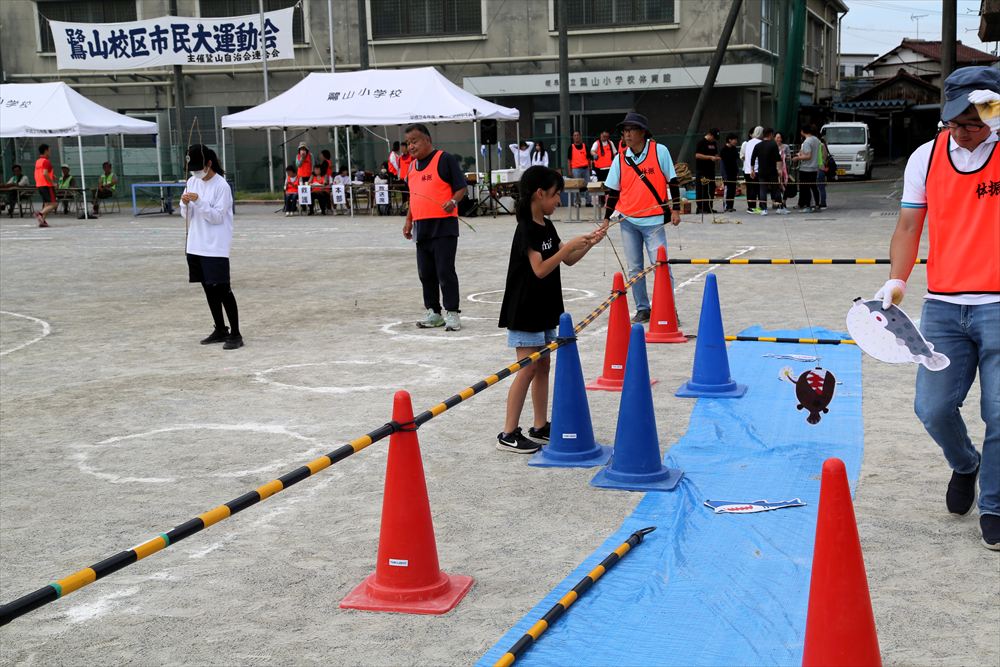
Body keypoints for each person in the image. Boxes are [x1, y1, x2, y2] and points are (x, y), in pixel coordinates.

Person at [877, 66, 1000, 550]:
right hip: (944, 306)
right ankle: (965, 463)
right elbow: (909, 226)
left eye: (975, 121)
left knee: (999, 412)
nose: (964, 132)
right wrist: (897, 279)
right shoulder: (925, 157)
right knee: (931, 407)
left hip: (998, 304)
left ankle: (994, 504)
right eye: (956, 122)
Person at [496, 166, 606, 453]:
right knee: (527, 368)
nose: (559, 200)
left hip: (545, 308)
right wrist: (567, 247)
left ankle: (540, 425)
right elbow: (541, 269)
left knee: (543, 365)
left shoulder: (547, 225)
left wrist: (589, 244)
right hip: (525, 309)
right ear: (539, 193)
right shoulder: (526, 229)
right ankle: (508, 433)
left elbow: (567, 260)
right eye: (556, 194)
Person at [602, 111, 682, 324]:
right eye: (624, 131)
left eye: (631, 130)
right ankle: (643, 309)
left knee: (661, 266)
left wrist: (676, 209)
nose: (627, 134)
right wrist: (607, 218)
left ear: (643, 132)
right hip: (628, 221)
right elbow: (613, 191)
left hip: (654, 221)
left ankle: (668, 309)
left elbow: (673, 181)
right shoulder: (620, 158)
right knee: (634, 268)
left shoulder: (659, 151)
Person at [402, 123, 467, 332]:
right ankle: (434, 312)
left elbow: (461, 188)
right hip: (421, 227)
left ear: (427, 140)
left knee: (445, 271)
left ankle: (452, 313)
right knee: (426, 272)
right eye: (408, 143)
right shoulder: (411, 167)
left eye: (414, 141)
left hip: (443, 226)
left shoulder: (444, 159)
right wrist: (409, 220)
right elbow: (413, 197)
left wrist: (453, 201)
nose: (411, 147)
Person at [180, 144, 242, 350]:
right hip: (195, 244)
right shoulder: (191, 181)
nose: (195, 173)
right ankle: (220, 329)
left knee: (223, 289)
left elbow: (216, 217)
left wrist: (198, 202)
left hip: (215, 246)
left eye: (198, 168)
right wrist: (185, 204)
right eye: (192, 169)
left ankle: (236, 333)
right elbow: (185, 215)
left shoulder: (221, 186)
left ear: (208, 163)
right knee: (208, 288)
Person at [751, 128, 787, 215]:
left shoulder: (758, 145)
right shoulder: (773, 144)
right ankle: (780, 208)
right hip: (772, 171)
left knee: (762, 190)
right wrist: (779, 170)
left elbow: (752, 158)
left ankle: (764, 209)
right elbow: (778, 158)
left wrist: (752, 170)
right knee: (776, 189)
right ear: (770, 134)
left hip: (761, 171)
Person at [791, 125, 821, 212]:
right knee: (814, 187)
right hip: (814, 167)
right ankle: (817, 205)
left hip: (806, 168)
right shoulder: (816, 140)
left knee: (805, 187)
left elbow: (808, 156)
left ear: (803, 131)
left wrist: (797, 158)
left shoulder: (807, 141)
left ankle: (808, 206)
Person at [694, 128, 721, 213]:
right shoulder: (701, 142)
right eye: (714, 137)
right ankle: (700, 207)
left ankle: (709, 207)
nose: (714, 139)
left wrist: (717, 158)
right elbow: (697, 155)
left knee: (711, 189)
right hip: (702, 170)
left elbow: (715, 153)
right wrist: (709, 157)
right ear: (710, 135)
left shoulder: (714, 143)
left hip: (711, 170)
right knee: (702, 189)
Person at [34, 144, 57, 227]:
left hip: (40, 184)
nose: (50, 152)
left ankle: (42, 221)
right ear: (46, 151)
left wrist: (52, 176)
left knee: (47, 204)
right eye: (49, 150)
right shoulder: (46, 161)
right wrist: (53, 183)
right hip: (47, 185)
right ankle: (40, 214)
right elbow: (45, 173)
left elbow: (41, 172)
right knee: (54, 204)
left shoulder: (38, 161)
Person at [742, 126, 764, 213]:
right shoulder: (761, 143)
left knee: (750, 189)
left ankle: (751, 207)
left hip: (747, 169)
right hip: (757, 169)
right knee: (759, 189)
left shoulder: (748, 143)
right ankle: (760, 207)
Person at [567, 130, 591, 206]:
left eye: (578, 135)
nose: (576, 137)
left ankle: (588, 202)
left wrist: (590, 168)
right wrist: (569, 171)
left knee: (588, 185)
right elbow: (569, 160)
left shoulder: (585, 146)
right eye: (575, 135)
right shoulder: (571, 147)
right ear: (573, 137)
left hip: (585, 169)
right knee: (576, 187)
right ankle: (577, 202)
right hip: (576, 169)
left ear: (580, 136)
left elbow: (589, 158)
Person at [719, 133, 740, 213]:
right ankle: (726, 206)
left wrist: (737, 172)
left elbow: (736, 162)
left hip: (733, 172)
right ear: (729, 140)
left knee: (733, 189)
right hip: (727, 173)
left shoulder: (734, 149)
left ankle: (731, 206)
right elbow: (722, 164)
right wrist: (724, 175)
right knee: (727, 189)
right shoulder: (724, 150)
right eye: (734, 140)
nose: (736, 141)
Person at [775, 131, 791, 203]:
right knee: (777, 185)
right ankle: (777, 201)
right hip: (775, 168)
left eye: (780, 137)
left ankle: (784, 201)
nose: (778, 139)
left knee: (785, 184)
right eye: (777, 137)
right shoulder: (773, 146)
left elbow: (789, 157)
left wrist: (784, 157)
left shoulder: (786, 146)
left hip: (784, 169)